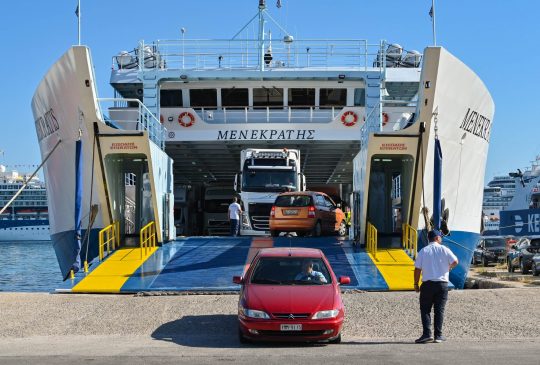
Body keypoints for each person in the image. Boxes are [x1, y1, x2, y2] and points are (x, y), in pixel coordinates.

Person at [414, 229, 458, 344]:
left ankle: (426, 335)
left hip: (427, 284)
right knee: (439, 310)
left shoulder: (423, 251)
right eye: (440, 237)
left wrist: (415, 284)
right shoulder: (444, 249)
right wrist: (449, 268)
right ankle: (438, 336)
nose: (441, 239)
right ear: (437, 238)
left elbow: (417, 269)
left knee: (425, 310)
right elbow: (455, 261)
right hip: (442, 285)